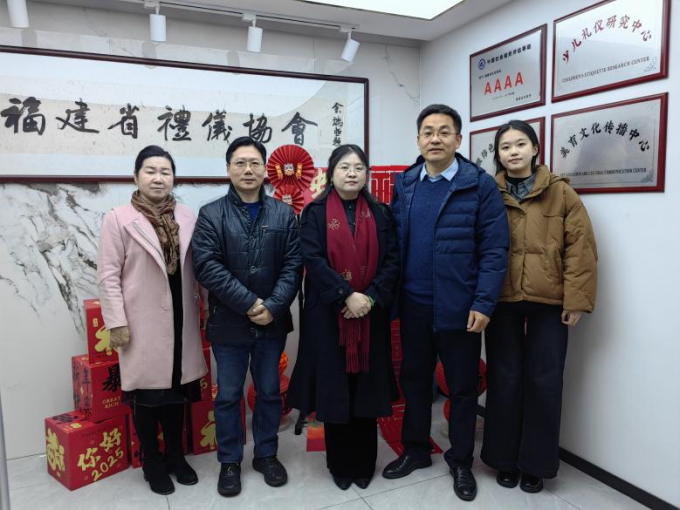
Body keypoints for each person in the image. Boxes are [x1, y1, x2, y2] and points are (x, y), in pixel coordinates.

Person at [384, 104, 509, 502]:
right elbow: (393, 244)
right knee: (415, 382)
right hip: (414, 305)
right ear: (418, 139)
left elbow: (495, 249)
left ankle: (460, 461)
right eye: (427, 132)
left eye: (443, 131)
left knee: (462, 388)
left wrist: (484, 303)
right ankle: (416, 450)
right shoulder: (406, 183)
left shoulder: (479, 185)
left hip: (461, 308)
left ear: (458, 139)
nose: (434, 138)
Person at [481, 120, 597, 493]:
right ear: (498, 155)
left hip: (550, 301)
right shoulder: (488, 192)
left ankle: (535, 463)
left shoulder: (561, 193)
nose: (513, 152)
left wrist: (576, 300)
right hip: (501, 299)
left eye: (520, 144)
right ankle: (503, 459)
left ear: (535, 149)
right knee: (504, 379)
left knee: (545, 381)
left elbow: (580, 248)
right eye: (505, 147)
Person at [191, 136, 302, 498]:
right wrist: (250, 304)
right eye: (240, 163)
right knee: (228, 395)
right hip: (229, 324)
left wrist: (273, 306)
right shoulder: (211, 214)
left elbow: (293, 265)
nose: (248, 169)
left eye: (254, 163)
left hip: (272, 323)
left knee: (269, 392)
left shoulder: (284, 214)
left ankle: (266, 454)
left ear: (265, 169)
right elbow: (207, 266)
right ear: (228, 169)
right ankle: (229, 461)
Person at [288, 144, 400, 491]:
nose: (352, 173)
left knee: (366, 390)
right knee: (334, 389)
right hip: (328, 315)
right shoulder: (315, 213)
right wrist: (345, 295)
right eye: (344, 167)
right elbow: (313, 259)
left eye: (358, 167)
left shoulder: (381, 213)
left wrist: (369, 297)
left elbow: (392, 260)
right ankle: (339, 463)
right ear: (331, 173)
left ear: (367, 174)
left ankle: (364, 464)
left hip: (370, 313)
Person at [97, 145, 207, 495]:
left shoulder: (187, 216)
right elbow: (108, 276)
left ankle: (175, 455)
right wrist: (116, 322)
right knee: (146, 395)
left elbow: (200, 270)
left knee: (175, 392)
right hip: (141, 322)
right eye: (150, 171)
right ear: (136, 176)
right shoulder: (118, 218)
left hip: (182, 317)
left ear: (174, 178)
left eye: (165, 172)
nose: (158, 178)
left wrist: (207, 309)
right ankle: (151, 461)